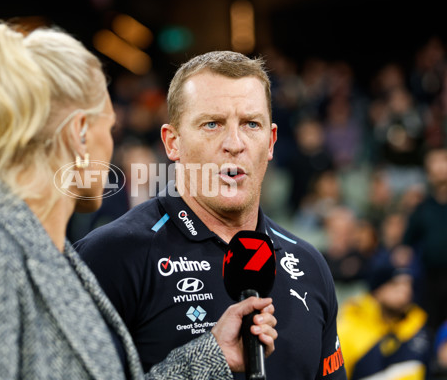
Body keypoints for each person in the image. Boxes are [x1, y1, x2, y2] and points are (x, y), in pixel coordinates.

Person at [0, 22, 277, 379]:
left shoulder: (53, 257)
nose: (112, 145)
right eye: (108, 126)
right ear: (80, 134)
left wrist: (209, 356)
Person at [76, 51, 347, 379]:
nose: (235, 143)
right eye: (212, 124)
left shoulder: (310, 265)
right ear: (172, 142)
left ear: (271, 141)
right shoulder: (110, 256)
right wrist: (205, 361)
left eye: (251, 124)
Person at [337, 256, 432, 379]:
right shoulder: (348, 330)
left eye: (408, 284)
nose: (405, 290)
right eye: (395, 284)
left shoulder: (418, 330)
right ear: (377, 289)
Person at [401, 147, 447, 332]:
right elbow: (406, 244)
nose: (439, 168)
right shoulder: (422, 208)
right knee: (432, 326)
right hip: (431, 279)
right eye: (433, 164)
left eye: (443, 161)